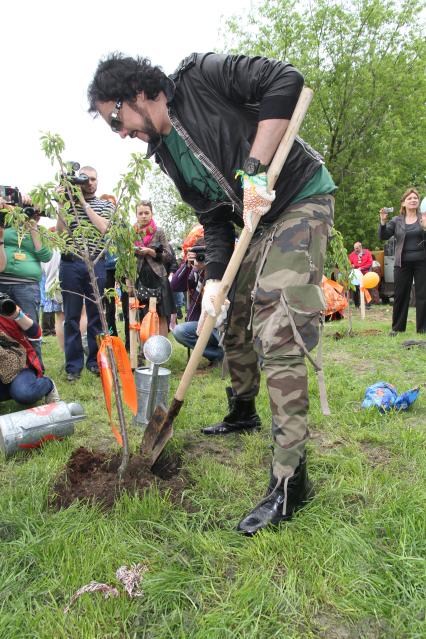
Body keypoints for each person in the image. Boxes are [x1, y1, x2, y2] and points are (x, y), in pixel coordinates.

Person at [88, 52, 336, 535]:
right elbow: (214, 219)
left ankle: (289, 480)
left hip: (298, 199)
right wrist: (216, 280)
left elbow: (286, 80)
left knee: (279, 323)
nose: (119, 132)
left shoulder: (200, 77)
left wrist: (256, 169)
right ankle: (242, 409)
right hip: (251, 225)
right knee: (235, 317)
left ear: (137, 93)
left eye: (116, 119)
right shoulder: (165, 152)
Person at [56, 166, 113, 381]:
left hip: (96, 262)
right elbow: (61, 233)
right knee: (71, 315)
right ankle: (73, 366)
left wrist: (83, 203)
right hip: (70, 263)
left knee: (96, 314)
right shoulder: (67, 205)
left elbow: (104, 229)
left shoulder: (105, 205)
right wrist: (63, 202)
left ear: (98, 181)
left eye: (93, 179)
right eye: (85, 180)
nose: (89, 183)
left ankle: (95, 362)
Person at [0, 195, 52, 365]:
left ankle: (37, 368)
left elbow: (45, 256)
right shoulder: (4, 224)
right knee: (3, 330)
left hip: (27, 284)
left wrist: (33, 227)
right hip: (2, 280)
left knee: (30, 327)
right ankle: (8, 369)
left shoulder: (37, 229)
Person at [379, 188, 426, 335]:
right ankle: (397, 328)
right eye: (410, 198)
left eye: (415, 198)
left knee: (423, 295)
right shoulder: (397, 220)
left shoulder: (423, 218)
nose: (413, 200)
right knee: (400, 295)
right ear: (404, 202)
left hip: (422, 262)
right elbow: (384, 236)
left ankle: (423, 328)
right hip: (402, 263)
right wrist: (382, 221)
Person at [0, 292, 60, 405]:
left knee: (25, 394)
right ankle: (12, 389)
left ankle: (47, 384)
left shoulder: (3, 306)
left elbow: (35, 333)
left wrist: (17, 315)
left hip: (17, 365)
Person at [171, 241, 224, 366]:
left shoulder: (223, 267)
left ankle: (229, 354)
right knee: (179, 331)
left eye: (205, 253)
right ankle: (219, 355)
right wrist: (188, 265)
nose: (202, 257)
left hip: (224, 323)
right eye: (199, 254)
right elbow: (175, 285)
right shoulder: (195, 271)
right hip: (204, 324)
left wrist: (210, 268)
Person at [133, 200, 175, 337]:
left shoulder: (159, 231)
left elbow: (168, 256)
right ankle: (145, 350)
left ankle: (161, 353)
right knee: (142, 315)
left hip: (158, 277)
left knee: (161, 315)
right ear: (136, 215)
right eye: (140, 213)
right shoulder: (132, 232)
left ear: (152, 214)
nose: (144, 216)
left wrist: (150, 252)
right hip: (140, 277)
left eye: (147, 212)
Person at [348, 242, 373, 308]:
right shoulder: (352, 254)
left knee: (366, 289)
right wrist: (352, 266)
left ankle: (368, 304)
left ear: (360, 247)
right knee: (355, 289)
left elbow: (370, 263)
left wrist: (361, 268)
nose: (355, 250)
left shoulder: (367, 253)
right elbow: (349, 263)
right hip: (356, 274)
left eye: (357, 248)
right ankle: (357, 304)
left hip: (365, 273)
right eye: (354, 248)